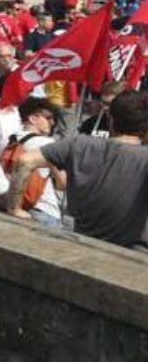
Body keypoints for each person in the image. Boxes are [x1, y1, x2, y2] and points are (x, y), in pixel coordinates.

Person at [11, 89, 148, 247]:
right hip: (129, 254)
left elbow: (25, 161)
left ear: (110, 118)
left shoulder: (78, 144)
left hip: (80, 243)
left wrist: (14, 208)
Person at [1, 98, 65, 229]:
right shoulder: (46, 144)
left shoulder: (7, 140)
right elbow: (63, 182)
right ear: (33, 118)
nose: (52, 123)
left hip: (12, 205)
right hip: (43, 209)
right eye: (48, 118)